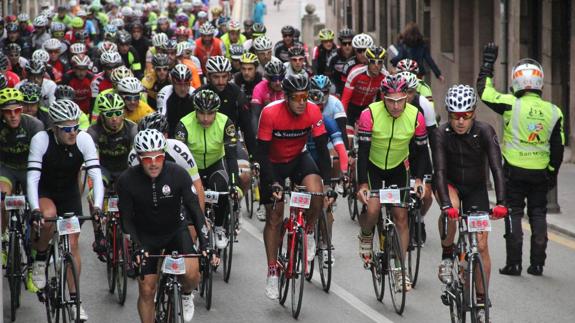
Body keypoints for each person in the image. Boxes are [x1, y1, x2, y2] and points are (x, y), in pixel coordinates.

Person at [477, 43, 565, 276]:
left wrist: (488, 64)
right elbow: (558, 146)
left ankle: (513, 263)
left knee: (514, 213)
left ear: (516, 82)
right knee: (538, 214)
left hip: (514, 170)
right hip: (540, 172)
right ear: (540, 83)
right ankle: (537, 264)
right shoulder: (554, 111)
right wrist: (552, 172)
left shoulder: (510, 104)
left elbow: (483, 92)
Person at [433, 84, 508, 323]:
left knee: (482, 245)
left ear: (474, 112)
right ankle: (447, 255)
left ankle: (481, 298)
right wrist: (446, 205)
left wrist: (502, 202)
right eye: (455, 115)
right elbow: (440, 171)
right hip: (451, 185)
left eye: (466, 115)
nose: (461, 121)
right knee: (451, 212)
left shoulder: (486, 131)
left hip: (476, 188)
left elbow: (497, 168)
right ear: (449, 115)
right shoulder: (441, 133)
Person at [118, 129, 208, 323]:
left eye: (158, 157)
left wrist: (206, 243)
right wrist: (136, 246)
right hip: (145, 236)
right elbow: (126, 219)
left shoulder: (178, 174)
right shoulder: (126, 180)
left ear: (164, 155)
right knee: (147, 289)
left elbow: (195, 210)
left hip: (175, 230)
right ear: (139, 158)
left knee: (192, 276)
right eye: (147, 158)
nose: (153, 163)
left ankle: (185, 294)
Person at [256, 74, 332, 299]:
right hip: (273, 165)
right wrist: (273, 183)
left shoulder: (313, 111)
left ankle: (307, 228)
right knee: (275, 218)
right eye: (296, 97)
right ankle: (272, 271)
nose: (301, 102)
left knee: (316, 193)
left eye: (305, 97)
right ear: (286, 97)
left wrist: (327, 183)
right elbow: (261, 153)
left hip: (299, 159)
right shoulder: (270, 113)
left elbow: (321, 148)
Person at [28, 99, 104, 321]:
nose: (73, 132)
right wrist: (34, 209)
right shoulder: (41, 140)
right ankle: (40, 258)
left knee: (71, 245)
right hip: (45, 192)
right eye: (67, 128)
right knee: (48, 216)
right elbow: (32, 178)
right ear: (54, 128)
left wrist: (97, 205)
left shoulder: (84, 139)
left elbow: (96, 176)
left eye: (75, 127)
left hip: (70, 195)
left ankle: (75, 301)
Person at [356, 75, 429, 291]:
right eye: (390, 100)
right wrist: (362, 185)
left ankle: (400, 269)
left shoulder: (416, 116)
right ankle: (367, 235)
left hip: (399, 168)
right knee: (373, 209)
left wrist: (418, 179)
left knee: (401, 217)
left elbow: (422, 151)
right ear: (383, 97)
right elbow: (363, 151)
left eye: (400, 100)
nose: (396, 106)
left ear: (407, 97)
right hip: (373, 167)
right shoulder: (369, 114)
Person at [175, 89, 241, 249]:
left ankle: (219, 227)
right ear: (195, 111)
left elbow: (231, 157)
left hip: (215, 163)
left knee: (223, 187)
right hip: (191, 166)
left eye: (210, 113)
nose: (205, 118)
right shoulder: (184, 124)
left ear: (216, 112)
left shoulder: (226, 123)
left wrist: (234, 184)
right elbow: (178, 160)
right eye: (201, 113)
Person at [87, 92, 137, 261]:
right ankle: (98, 233)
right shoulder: (94, 131)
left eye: (118, 112)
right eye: (109, 114)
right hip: (104, 169)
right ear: (102, 115)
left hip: (125, 168)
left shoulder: (132, 129)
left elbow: (136, 158)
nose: (114, 118)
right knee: (93, 193)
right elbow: (91, 160)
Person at [0, 88, 44, 277]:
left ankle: (35, 245)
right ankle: (3, 241)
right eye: (8, 112)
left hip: (28, 169)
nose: (13, 116)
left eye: (17, 110)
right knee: (1, 200)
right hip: (6, 168)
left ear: (22, 109)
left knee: (36, 207)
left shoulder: (34, 125)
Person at [341, 46, 388, 145]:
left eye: (379, 62)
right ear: (367, 62)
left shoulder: (385, 76)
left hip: (367, 108)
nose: (376, 66)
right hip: (351, 108)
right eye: (372, 62)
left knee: (367, 140)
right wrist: (342, 120)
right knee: (348, 140)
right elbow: (345, 100)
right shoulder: (355, 73)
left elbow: (384, 101)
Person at [157, 64, 196, 136]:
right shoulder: (164, 92)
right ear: (172, 82)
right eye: (179, 84)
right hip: (170, 133)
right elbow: (160, 119)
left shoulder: (194, 94)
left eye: (186, 84)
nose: (183, 89)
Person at [250, 58, 286, 130]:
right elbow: (255, 115)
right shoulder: (259, 88)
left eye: (281, 78)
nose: (278, 82)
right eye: (274, 78)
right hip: (266, 125)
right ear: (268, 78)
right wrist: (255, 137)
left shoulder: (289, 86)